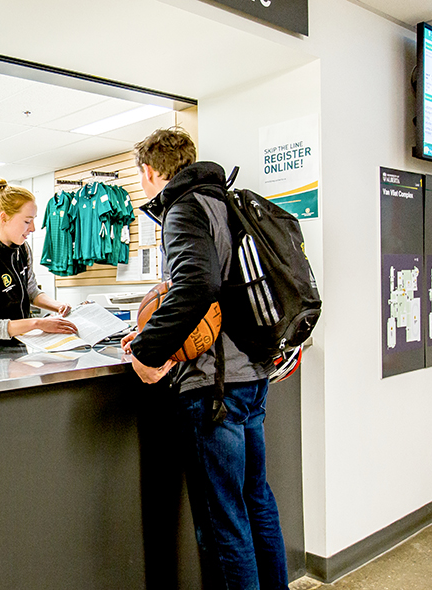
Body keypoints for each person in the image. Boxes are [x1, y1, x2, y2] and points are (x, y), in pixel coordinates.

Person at [120, 128, 288, 589]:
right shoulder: (224, 202)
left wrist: (147, 350)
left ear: (149, 171)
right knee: (256, 502)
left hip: (215, 389)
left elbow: (197, 284)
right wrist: (155, 325)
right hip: (251, 374)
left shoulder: (183, 208)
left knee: (223, 522)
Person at [0, 179, 77, 342]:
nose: (33, 228)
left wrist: (58, 306)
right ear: (3, 217)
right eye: (27, 221)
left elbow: (31, 291)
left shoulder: (22, 249)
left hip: (22, 346)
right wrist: (37, 323)